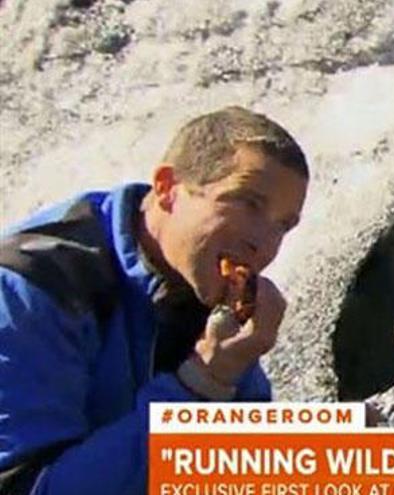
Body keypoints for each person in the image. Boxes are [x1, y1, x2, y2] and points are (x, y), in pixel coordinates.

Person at [0, 106, 309, 492]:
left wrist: (330, 446)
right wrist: (204, 383)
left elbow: (237, 462)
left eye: (283, 225)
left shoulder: (202, 279)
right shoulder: (30, 288)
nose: (262, 242)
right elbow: (28, 488)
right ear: (166, 188)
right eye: (248, 203)